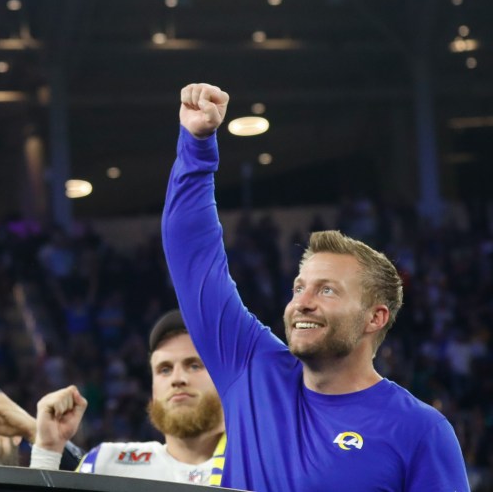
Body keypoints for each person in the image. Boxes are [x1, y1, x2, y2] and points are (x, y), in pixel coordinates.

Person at [162, 82, 470, 491]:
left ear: (374, 317)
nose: (301, 303)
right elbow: (192, 257)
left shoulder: (420, 431)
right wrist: (197, 146)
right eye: (298, 287)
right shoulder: (250, 367)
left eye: (327, 290)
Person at [29, 311, 226, 485]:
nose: (177, 379)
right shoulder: (106, 465)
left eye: (194, 365)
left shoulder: (252, 467)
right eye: (164, 369)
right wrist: (48, 450)